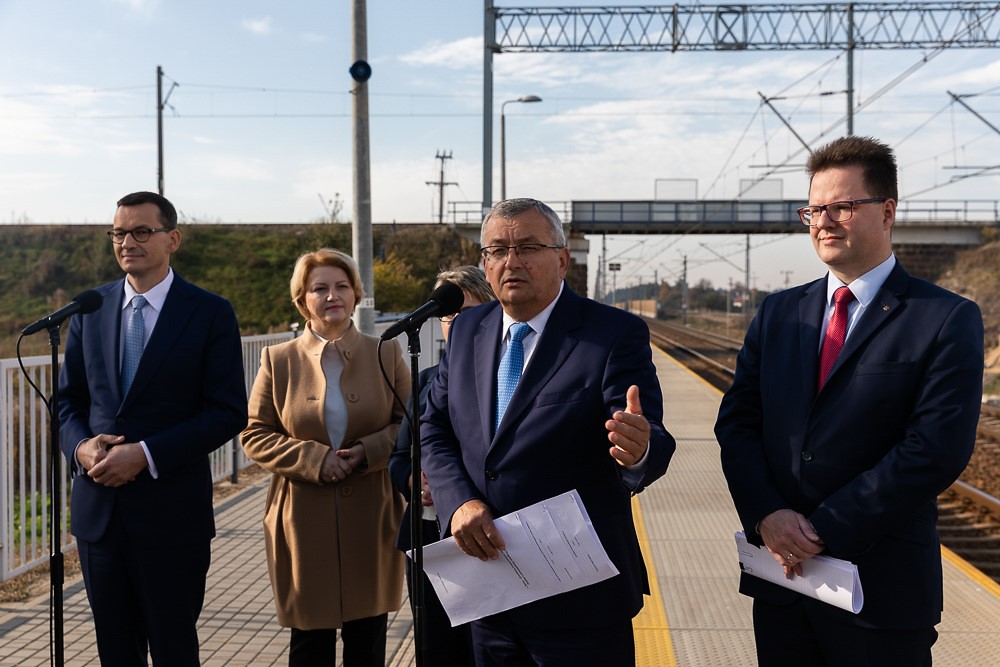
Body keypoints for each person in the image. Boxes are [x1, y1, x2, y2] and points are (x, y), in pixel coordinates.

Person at [715, 136, 984, 666]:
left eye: (842, 206)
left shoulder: (945, 318)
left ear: (887, 212)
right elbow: (738, 424)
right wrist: (767, 512)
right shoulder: (779, 313)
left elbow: (934, 449)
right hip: (782, 585)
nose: (823, 221)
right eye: (813, 209)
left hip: (880, 594)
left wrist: (822, 529)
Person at [420, 198, 676, 666]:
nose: (511, 261)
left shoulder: (613, 333)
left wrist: (638, 450)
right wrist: (458, 501)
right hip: (489, 586)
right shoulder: (467, 329)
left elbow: (651, 438)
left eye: (528, 247)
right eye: (497, 250)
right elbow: (434, 427)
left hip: (579, 596)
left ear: (561, 259)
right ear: (484, 262)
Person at [57, 191, 248, 665]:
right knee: (115, 652)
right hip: (99, 515)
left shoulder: (208, 312)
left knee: (173, 649)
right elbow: (68, 403)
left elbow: (227, 411)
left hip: (171, 516)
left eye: (142, 231)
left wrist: (145, 454)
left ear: (172, 239)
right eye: (119, 233)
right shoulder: (89, 310)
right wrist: (81, 448)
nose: (127, 242)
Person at [241, 247, 409, 667]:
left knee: (367, 642)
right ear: (303, 300)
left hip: (372, 511)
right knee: (309, 644)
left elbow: (412, 424)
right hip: (301, 516)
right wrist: (315, 459)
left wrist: (365, 452)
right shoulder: (277, 360)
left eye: (341, 286)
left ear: (355, 294)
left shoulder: (385, 352)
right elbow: (254, 434)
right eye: (320, 288)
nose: (332, 296)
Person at [388, 265, 495, 666]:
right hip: (430, 541)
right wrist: (413, 481)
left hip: (490, 540)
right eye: (449, 315)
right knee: (436, 652)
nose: (455, 323)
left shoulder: (510, 377)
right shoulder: (427, 379)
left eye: (468, 312)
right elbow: (398, 459)